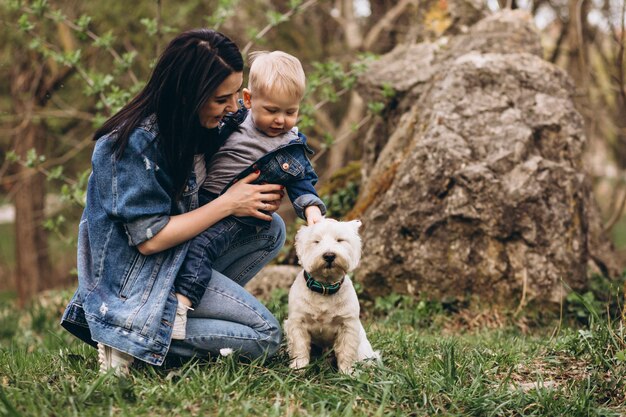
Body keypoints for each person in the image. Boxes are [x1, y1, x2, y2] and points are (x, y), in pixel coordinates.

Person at [60, 29, 288, 375]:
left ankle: (171, 316)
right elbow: (150, 240)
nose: (233, 108)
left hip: (179, 261)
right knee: (266, 337)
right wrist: (229, 203)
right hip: (136, 281)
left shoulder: (200, 125)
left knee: (270, 228)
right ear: (188, 95)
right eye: (221, 98)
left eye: (235, 96)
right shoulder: (132, 143)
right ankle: (128, 336)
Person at [171, 51, 326, 340]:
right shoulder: (232, 121)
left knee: (201, 248)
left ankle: (181, 307)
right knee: (189, 247)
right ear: (249, 99)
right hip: (205, 200)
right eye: (271, 110)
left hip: (238, 215)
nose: (280, 120)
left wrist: (312, 211)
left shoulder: (290, 146)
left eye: (290, 112)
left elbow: (303, 180)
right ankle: (199, 298)